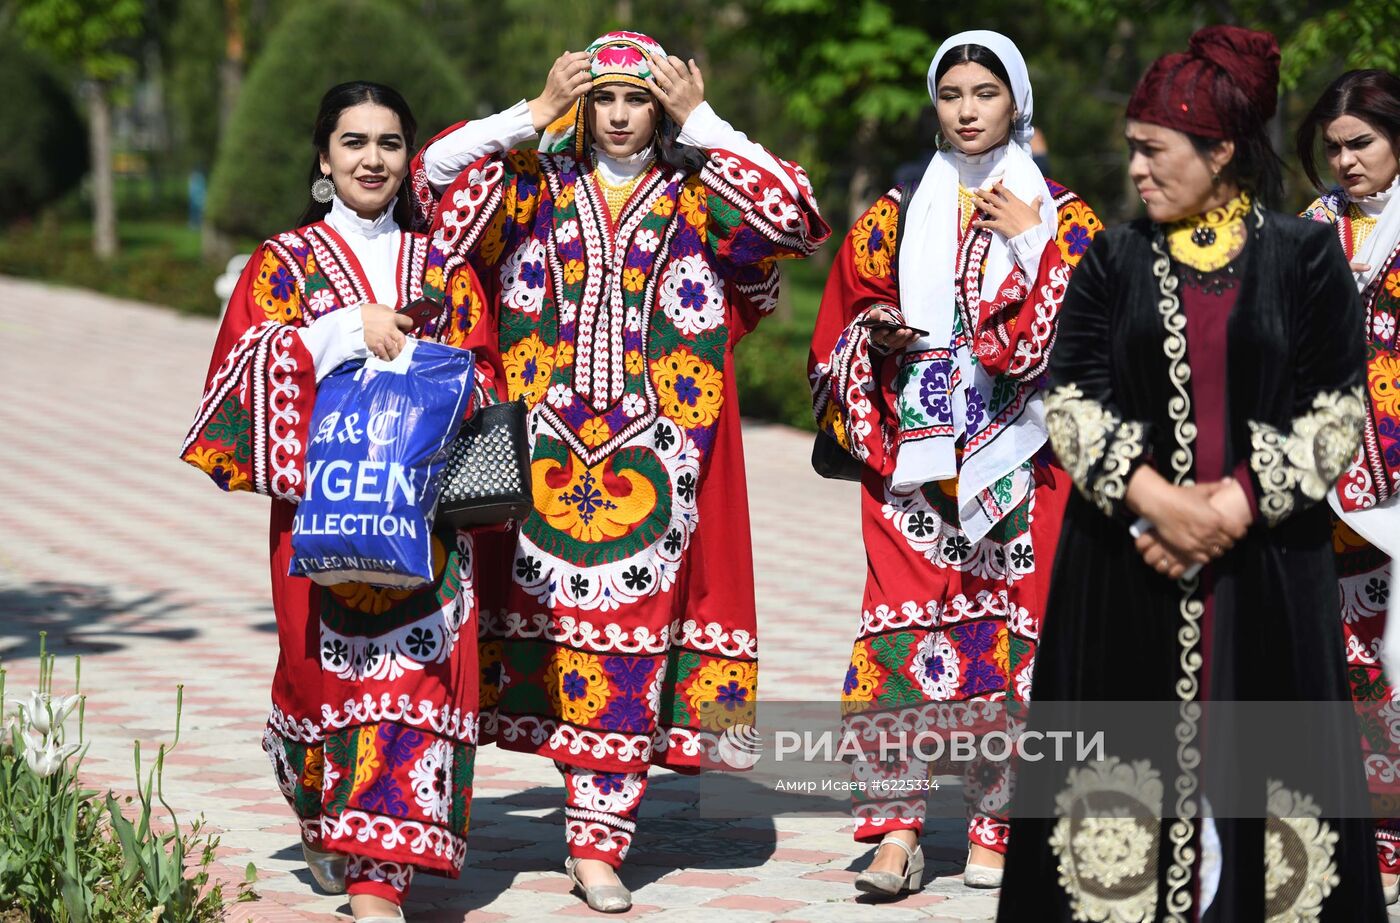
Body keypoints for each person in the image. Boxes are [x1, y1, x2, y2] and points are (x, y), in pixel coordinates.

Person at [411, 31, 828, 913]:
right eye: (605, 97)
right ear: (582, 103)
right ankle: (538, 816)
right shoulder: (532, 186)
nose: (622, 115)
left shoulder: (697, 195)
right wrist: (530, 113)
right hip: (536, 457)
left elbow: (796, 217)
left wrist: (705, 122)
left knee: (630, 644)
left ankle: (598, 846)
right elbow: (430, 185)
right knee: (550, 635)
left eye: (640, 99)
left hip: (661, 464)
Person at [998, 27, 1388, 921]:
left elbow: (1336, 409)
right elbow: (1072, 402)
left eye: (1153, 150)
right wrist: (1158, 502)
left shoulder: (1304, 259)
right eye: (1133, 149)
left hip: (1267, 575)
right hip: (1124, 567)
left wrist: (1233, 506)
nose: (1136, 169)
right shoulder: (1113, 259)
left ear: (1219, 152)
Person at [180, 82, 520, 922]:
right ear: (323, 157)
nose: (374, 159)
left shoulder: (443, 266)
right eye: (354, 142)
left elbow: (485, 373)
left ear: (410, 159)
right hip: (323, 519)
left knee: (409, 689)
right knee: (313, 692)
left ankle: (379, 884)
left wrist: (426, 365)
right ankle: (314, 790)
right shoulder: (283, 263)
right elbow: (237, 372)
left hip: (428, 522)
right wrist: (340, 332)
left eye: (391, 144)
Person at [808, 29, 1101, 899]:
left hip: (1025, 461)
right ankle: (894, 832)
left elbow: (1093, 328)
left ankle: (996, 828)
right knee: (900, 634)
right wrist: (878, 336)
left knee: (1014, 639)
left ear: (1018, 103)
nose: (968, 110)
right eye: (952, 94)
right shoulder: (899, 207)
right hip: (914, 463)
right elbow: (841, 319)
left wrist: (1036, 241)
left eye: (986, 93)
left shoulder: (1064, 210)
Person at [1298, 67, 1400, 907]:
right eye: (1333, 148)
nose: (1345, 161)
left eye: (1361, 142)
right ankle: (1372, 826)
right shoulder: (1311, 227)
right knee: (1348, 649)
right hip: (1331, 482)